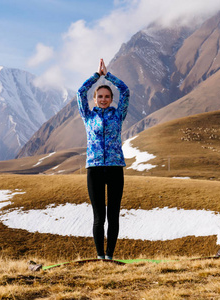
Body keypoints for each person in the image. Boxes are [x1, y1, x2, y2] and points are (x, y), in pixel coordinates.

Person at [77, 58, 129, 260]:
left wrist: (108, 76)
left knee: (113, 215)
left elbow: (125, 91)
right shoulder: (88, 116)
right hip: (95, 169)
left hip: (115, 168)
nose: (104, 99)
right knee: (99, 216)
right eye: (100, 96)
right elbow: (80, 92)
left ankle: (110, 256)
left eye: (107, 96)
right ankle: (99, 256)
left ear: (111, 98)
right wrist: (96, 77)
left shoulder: (118, 115)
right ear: (95, 98)